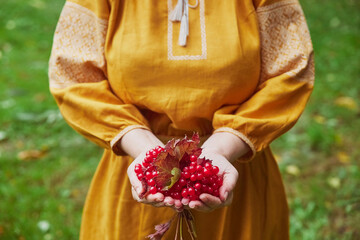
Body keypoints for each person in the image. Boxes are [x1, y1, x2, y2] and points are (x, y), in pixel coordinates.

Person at [48, 0, 314, 239]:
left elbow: (289, 72)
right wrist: (147, 151)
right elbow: (75, 78)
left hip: (233, 172)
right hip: (137, 171)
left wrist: (222, 147)